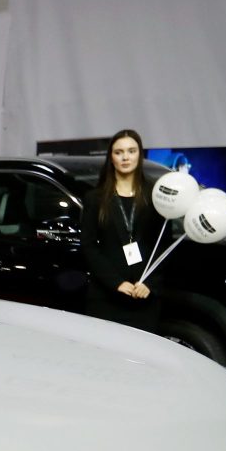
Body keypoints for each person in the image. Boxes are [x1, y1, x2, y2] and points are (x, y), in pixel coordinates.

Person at [80, 128, 167, 332]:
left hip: (144, 297)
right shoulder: (95, 198)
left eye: (131, 151)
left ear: (140, 154)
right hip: (106, 297)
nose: (125, 157)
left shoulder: (155, 196)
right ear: (111, 158)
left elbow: (163, 246)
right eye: (119, 152)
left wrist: (150, 283)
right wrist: (116, 283)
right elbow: (88, 246)